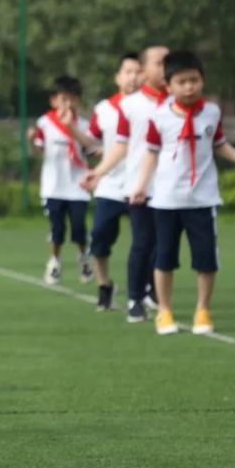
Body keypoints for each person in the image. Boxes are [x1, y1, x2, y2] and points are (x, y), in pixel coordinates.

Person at [129, 51, 235, 335]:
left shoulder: (211, 112)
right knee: (164, 258)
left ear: (203, 81)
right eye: (182, 82)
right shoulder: (159, 116)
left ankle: (202, 310)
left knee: (205, 259)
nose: (189, 87)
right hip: (165, 200)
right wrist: (140, 186)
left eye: (194, 80)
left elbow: (219, 143)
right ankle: (164, 311)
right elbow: (150, 154)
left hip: (202, 199)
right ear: (169, 85)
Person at [82, 45, 169, 322]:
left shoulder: (174, 103)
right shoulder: (115, 108)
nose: (132, 77)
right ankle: (123, 293)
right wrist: (99, 172)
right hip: (125, 186)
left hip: (166, 187)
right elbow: (115, 145)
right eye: (127, 72)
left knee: (160, 245)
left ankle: (151, 292)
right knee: (116, 240)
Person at [86, 52, 141, 310]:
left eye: (137, 71)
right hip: (110, 185)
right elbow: (92, 142)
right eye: (127, 72)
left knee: (146, 241)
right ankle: (104, 284)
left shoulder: (152, 108)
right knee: (99, 237)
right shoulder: (103, 110)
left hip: (142, 184)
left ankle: (143, 290)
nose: (133, 77)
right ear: (117, 77)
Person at [29, 76, 97, 285]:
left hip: (77, 186)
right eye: (63, 99)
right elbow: (37, 150)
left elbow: (92, 150)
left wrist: (73, 130)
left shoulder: (84, 125)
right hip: (53, 187)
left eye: (72, 99)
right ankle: (54, 262)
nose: (67, 104)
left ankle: (84, 260)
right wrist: (31, 140)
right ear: (54, 101)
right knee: (57, 228)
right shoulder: (45, 123)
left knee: (79, 227)